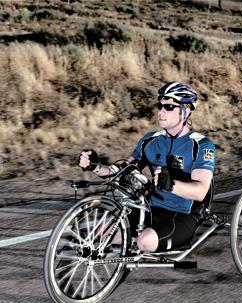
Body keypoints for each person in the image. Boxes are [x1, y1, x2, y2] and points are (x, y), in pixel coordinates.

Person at [78, 82, 216, 252]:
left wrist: (171, 184)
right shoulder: (150, 140)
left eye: (169, 107)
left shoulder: (201, 145)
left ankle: (134, 245)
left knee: (145, 241)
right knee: (102, 233)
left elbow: (201, 191)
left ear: (186, 111)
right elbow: (122, 171)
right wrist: (95, 166)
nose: (161, 111)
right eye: (160, 105)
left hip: (182, 214)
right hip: (150, 208)